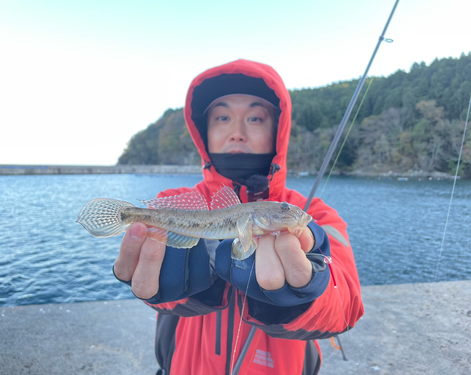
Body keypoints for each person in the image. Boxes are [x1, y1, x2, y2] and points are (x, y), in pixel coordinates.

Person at [113, 59, 364, 374]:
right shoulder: (169, 204)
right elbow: (150, 285)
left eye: (255, 118)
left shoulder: (317, 213)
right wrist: (163, 289)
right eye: (222, 117)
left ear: (279, 130)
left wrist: (308, 294)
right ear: (204, 131)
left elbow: (348, 308)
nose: (237, 132)